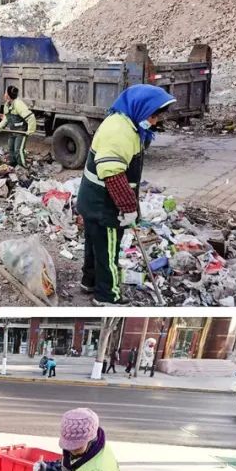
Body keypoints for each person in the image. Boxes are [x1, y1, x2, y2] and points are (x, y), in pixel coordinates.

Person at [77, 84, 176, 306]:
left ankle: (89, 281)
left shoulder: (124, 122)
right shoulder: (119, 131)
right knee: (108, 252)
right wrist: (128, 208)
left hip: (93, 201)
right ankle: (107, 296)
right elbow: (112, 173)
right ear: (140, 108)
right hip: (104, 204)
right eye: (152, 116)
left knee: (95, 245)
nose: (154, 122)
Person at [0, 85, 37, 168]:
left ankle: (23, 167)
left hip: (21, 131)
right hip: (12, 131)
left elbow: (31, 117)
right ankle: (13, 165)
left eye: (5, 92)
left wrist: (30, 130)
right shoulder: (7, 105)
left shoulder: (18, 104)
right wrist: (0, 126)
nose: (4, 94)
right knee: (11, 149)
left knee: (18, 150)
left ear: (8, 95)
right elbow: (6, 118)